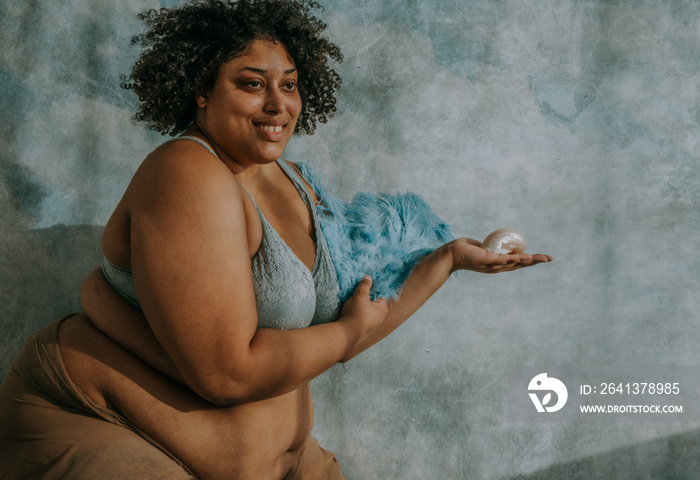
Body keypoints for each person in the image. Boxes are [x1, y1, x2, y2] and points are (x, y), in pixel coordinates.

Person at [0, 1, 552, 479]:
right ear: (199, 89)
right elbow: (228, 373)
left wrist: (449, 259)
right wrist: (346, 332)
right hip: (103, 429)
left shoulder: (292, 180)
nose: (278, 104)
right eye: (251, 83)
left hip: (282, 462)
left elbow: (348, 329)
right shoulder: (187, 174)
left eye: (288, 84)